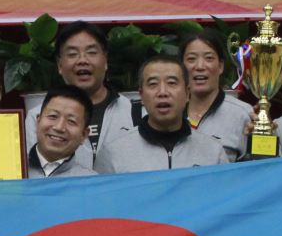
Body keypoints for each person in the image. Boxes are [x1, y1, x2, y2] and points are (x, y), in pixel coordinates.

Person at [22, 22, 135, 163]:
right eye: (72, 54)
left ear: (105, 60)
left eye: (91, 52)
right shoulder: (38, 118)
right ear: (60, 65)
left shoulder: (133, 112)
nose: (82, 60)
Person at [96, 57, 229, 173]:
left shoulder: (213, 152)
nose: (163, 92)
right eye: (153, 84)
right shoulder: (114, 154)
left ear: (187, 93)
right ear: (141, 95)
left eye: (172, 83)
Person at [181, 31, 252, 161]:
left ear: (220, 66)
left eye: (209, 58)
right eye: (191, 59)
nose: (200, 66)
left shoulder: (243, 114)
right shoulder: (166, 112)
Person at [25, 85, 97, 178]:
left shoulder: (90, 182)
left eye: (71, 121)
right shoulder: (11, 170)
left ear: (83, 135)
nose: (59, 127)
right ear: (38, 121)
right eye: (53, 116)